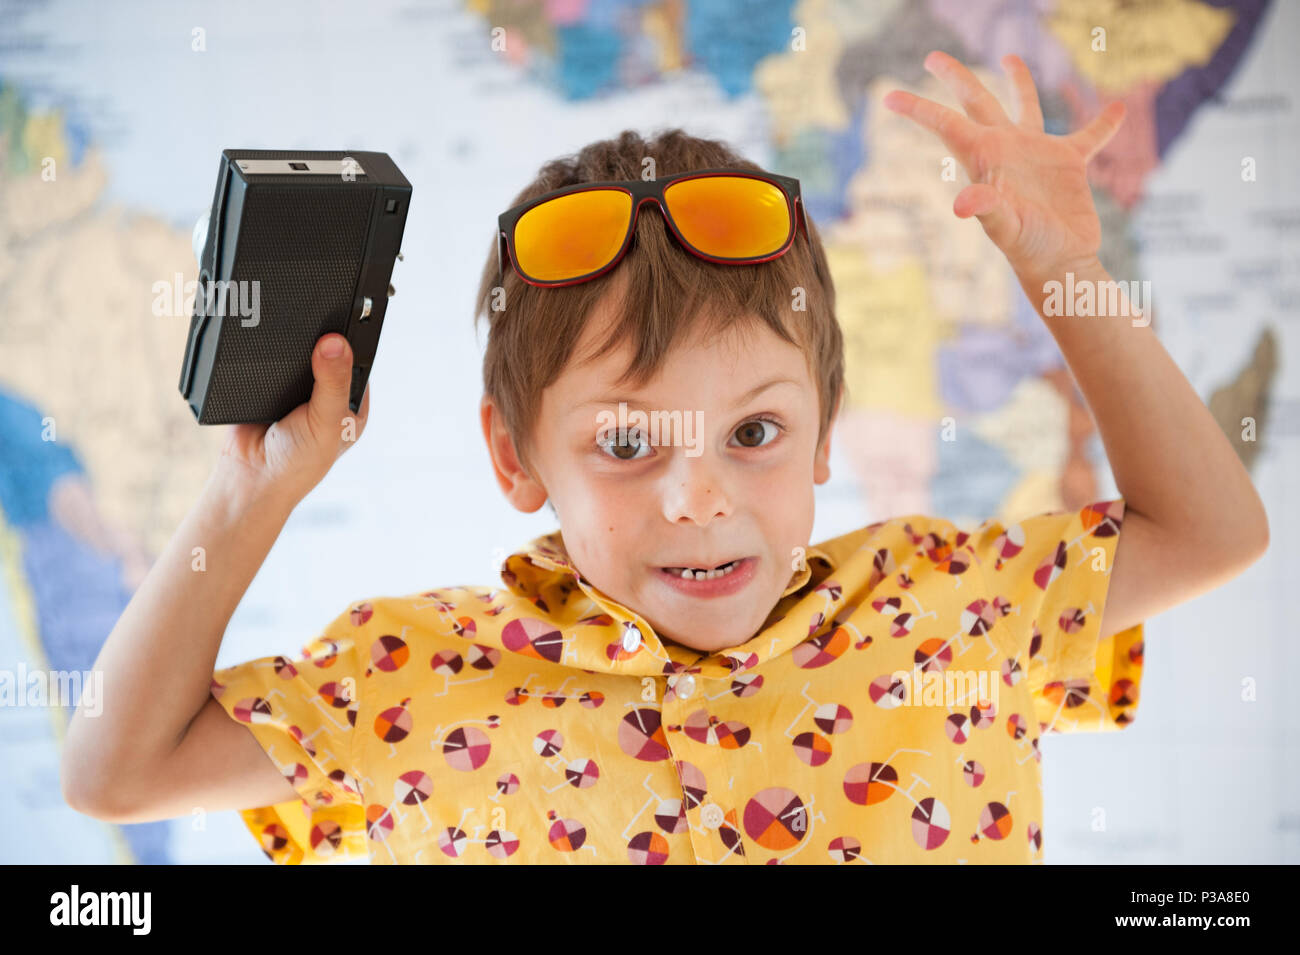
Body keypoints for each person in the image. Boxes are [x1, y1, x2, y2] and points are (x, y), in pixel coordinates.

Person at [62, 52, 1268, 864]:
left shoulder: (943, 606)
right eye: (627, 443)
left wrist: (1064, 266)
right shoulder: (409, 677)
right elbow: (116, 771)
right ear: (514, 456)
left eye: (754, 432)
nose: (700, 495)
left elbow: (1212, 533)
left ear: (826, 431)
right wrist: (252, 489)